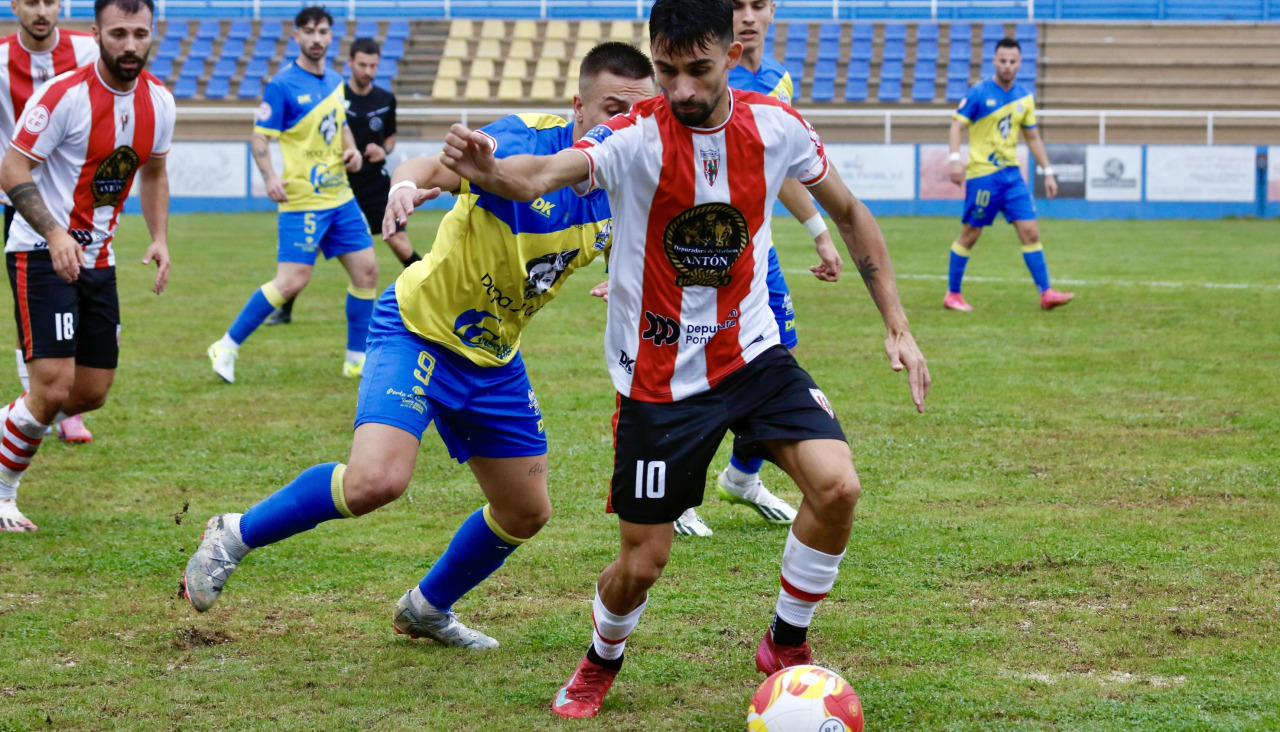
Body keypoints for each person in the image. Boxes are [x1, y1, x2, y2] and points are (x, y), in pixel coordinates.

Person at [437, 0, 929, 718]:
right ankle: (602, 657)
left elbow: (850, 212)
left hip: (753, 355)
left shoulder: (776, 125)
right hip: (658, 381)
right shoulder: (633, 134)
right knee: (642, 564)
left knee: (838, 488)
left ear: (733, 55)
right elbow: (541, 173)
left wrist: (899, 327)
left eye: (698, 69)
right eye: (666, 71)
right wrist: (491, 173)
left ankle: (785, 642)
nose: (681, 89)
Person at [181, 44, 655, 652]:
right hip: (418, 329)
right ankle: (235, 533)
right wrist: (404, 187)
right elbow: (432, 166)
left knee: (525, 511)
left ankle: (427, 608)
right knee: (375, 482)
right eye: (614, 108)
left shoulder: (628, 175)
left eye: (640, 112)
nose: (627, 123)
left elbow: (634, 247)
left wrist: (627, 278)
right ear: (578, 107)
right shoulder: (526, 139)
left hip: (494, 359)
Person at [0, 0, 173, 533]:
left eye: (139, 33)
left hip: (100, 257)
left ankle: (9, 423)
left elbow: (154, 172)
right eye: (118, 33)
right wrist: (54, 233)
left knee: (91, 392)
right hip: (40, 251)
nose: (129, 45)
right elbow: (12, 165)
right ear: (96, 33)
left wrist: (160, 238)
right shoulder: (64, 96)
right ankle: (3, 494)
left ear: (152, 34)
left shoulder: (160, 102)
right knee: (53, 388)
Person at [673, 0, 844, 538]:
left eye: (756, 4)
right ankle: (676, 492)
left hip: (754, 248)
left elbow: (783, 163)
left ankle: (742, 477)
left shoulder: (777, 80)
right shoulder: (700, 79)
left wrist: (818, 230)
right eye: (737, 5)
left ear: (772, 10)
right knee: (692, 361)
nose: (746, 15)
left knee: (776, 352)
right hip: (698, 249)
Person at [206, 6, 376, 383]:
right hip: (303, 200)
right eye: (309, 31)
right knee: (291, 281)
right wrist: (269, 177)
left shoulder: (336, 80)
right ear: (296, 36)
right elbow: (259, 137)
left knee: (367, 271)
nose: (316, 38)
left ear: (331, 36)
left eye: (323, 31)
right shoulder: (282, 85)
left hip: (340, 197)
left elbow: (341, 125)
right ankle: (226, 345)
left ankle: (356, 360)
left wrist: (351, 151)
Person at [265, 36, 419, 327]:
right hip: (337, 183)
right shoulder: (332, 92)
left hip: (374, 184)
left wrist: (383, 150)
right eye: (362, 65)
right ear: (350, 63)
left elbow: (390, 138)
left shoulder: (386, 99)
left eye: (373, 66)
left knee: (399, 242)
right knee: (310, 250)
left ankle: (429, 291)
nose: (368, 71)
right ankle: (284, 309)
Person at [0, 0, 100, 444]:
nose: (41, 10)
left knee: (83, 299)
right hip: (22, 204)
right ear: (15, 5)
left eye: (49, 1)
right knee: (32, 310)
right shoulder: (1, 60)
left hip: (78, 205)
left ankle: (64, 407)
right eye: (31, 1)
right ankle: (37, 400)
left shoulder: (88, 51)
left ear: (61, 5)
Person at [944, 37, 1073, 312]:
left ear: (1020, 63)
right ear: (994, 60)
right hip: (983, 175)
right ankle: (953, 294)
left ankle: (1046, 292)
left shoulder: (1025, 97)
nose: (1007, 66)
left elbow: (1033, 137)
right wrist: (955, 160)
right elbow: (957, 126)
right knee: (971, 233)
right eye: (1002, 61)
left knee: (1030, 231)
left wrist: (1048, 171)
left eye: (1012, 61)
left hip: (1012, 176)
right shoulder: (979, 93)